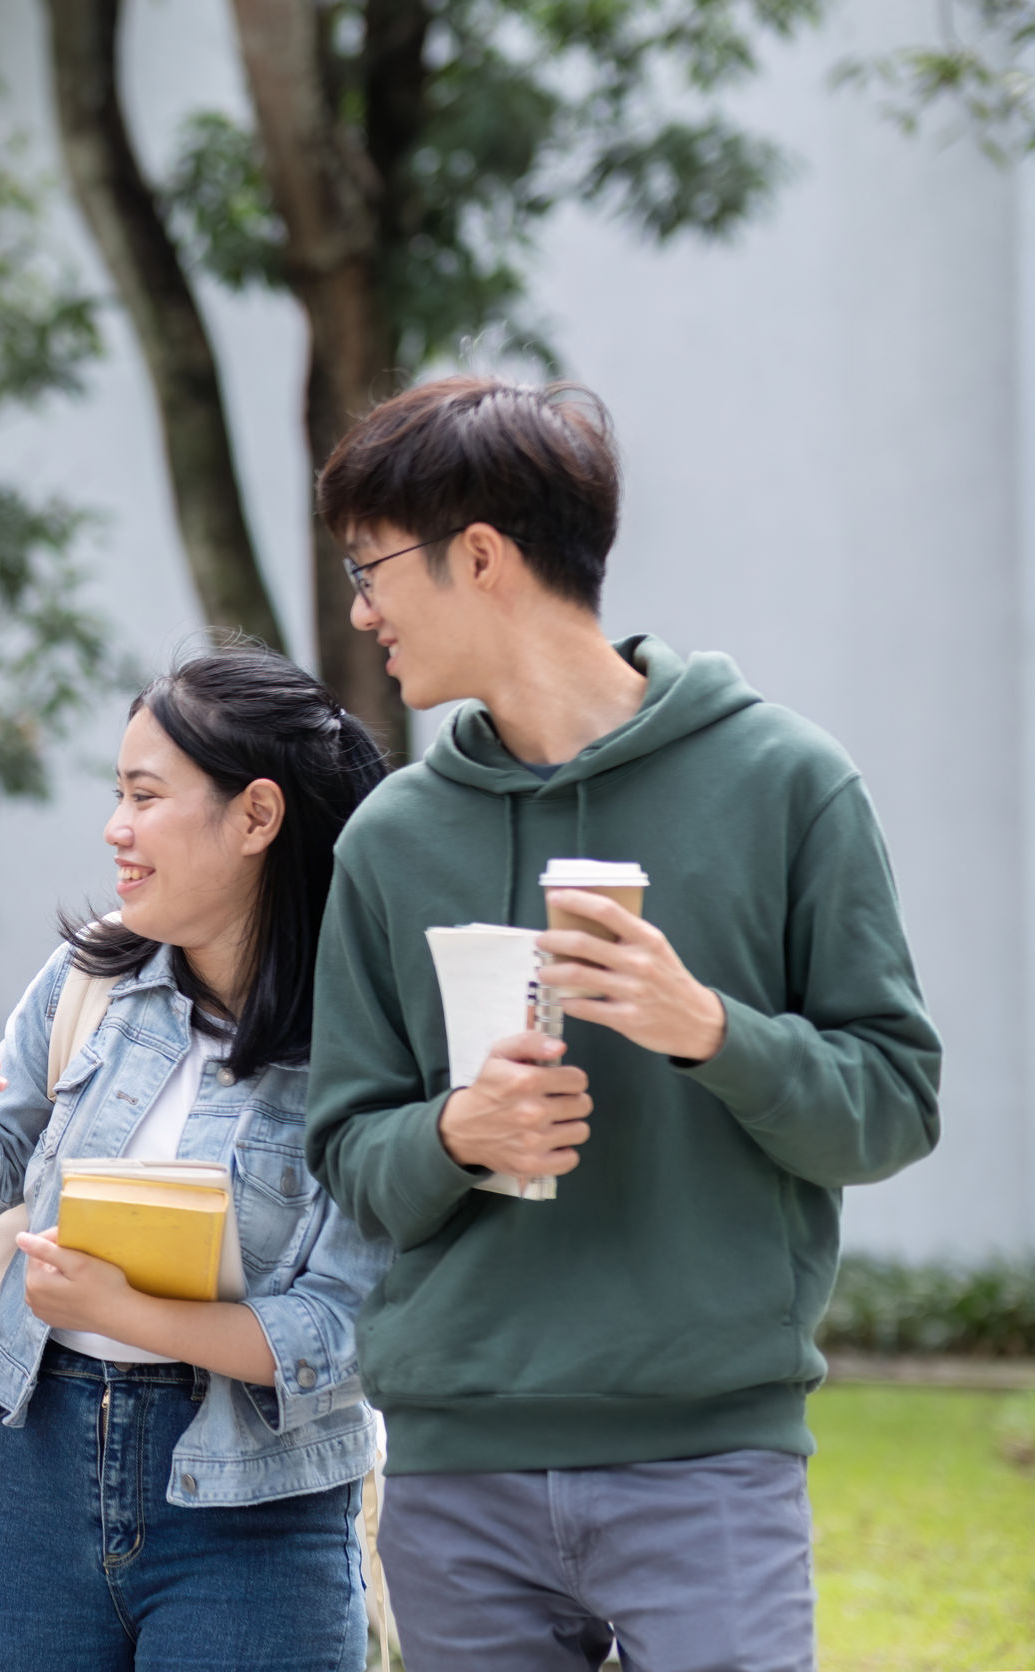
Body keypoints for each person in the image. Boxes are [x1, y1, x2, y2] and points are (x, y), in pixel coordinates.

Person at [305, 377, 941, 1671]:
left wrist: (712, 1031)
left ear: (478, 556)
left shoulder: (788, 786)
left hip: (709, 1459)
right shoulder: (390, 838)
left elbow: (894, 1105)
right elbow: (349, 1157)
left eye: (372, 570)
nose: (361, 610)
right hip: (455, 1477)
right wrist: (455, 1134)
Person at [0, 651, 391, 1672]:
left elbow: (347, 1330)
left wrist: (129, 1313)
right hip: (35, 1474)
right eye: (117, 794)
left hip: (258, 1502)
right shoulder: (95, 973)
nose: (116, 828)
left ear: (256, 817)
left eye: (146, 796)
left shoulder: (369, 1031)